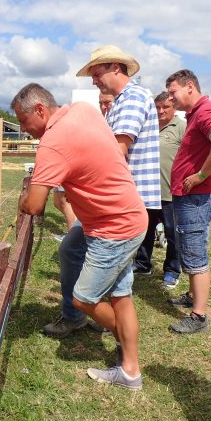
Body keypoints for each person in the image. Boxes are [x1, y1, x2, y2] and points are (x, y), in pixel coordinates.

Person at [13, 83, 147, 389]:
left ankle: (126, 350)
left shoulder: (51, 143)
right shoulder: (84, 111)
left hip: (113, 228)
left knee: (85, 298)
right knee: (118, 293)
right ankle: (129, 369)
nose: (23, 129)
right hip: (126, 215)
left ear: (40, 110)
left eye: (24, 121)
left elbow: (34, 205)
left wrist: (23, 200)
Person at [76, 45, 161, 272]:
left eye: (96, 74)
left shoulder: (132, 97)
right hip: (125, 193)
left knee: (109, 264)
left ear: (115, 68)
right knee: (115, 266)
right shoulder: (122, 99)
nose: (94, 81)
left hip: (127, 195)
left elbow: (116, 149)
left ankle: (92, 299)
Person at [165, 69, 211, 334]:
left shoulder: (206, 112)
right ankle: (194, 296)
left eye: (173, 93)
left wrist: (201, 175)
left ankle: (198, 316)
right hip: (192, 196)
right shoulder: (197, 114)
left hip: (197, 197)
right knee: (189, 246)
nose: (171, 99)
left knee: (194, 252)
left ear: (190, 86)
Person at [133, 91, 186, 288]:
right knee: (144, 231)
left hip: (170, 192)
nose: (161, 111)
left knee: (173, 234)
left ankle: (172, 271)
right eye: (158, 107)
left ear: (174, 108)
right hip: (147, 191)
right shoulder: (149, 125)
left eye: (166, 107)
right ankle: (142, 263)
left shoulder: (182, 127)